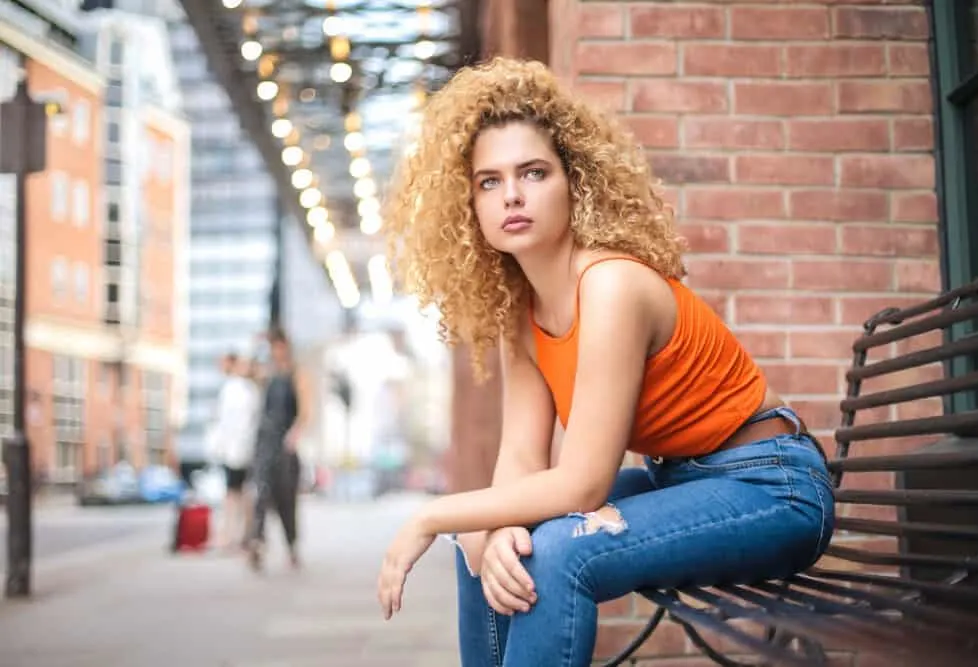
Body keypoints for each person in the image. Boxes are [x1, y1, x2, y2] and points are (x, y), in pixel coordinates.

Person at [376, 57, 836, 667]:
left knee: (561, 549)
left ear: (575, 181)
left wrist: (431, 515)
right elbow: (520, 457)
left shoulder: (612, 285)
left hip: (769, 486)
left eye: (533, 172)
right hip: (683, 478)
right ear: (470, 207)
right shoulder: (524, 310)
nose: (511, 194)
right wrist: (482, 527)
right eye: (489, 181)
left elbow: (585, 483)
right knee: (486, 541)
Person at [246, 328, 311, 571]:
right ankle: (257, 542)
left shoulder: (297, 373)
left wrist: (294, 435)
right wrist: (255, 346)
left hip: (285, 443)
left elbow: (305, 411)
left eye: (279, 346)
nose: (276, 351)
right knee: (260, 492)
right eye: (272, 347)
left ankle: (292, 546)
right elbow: (246, 371)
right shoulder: (267, 372)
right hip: (264, 440)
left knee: (286, 499)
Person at [206, 353, 261, 552]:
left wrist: (220, 447)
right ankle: (244, 535)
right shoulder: (248, 389)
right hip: (241, 450)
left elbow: (227, 423)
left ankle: (232, 536)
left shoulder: (235, 389)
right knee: (242, 494)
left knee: (234, 495)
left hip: (237, 450)